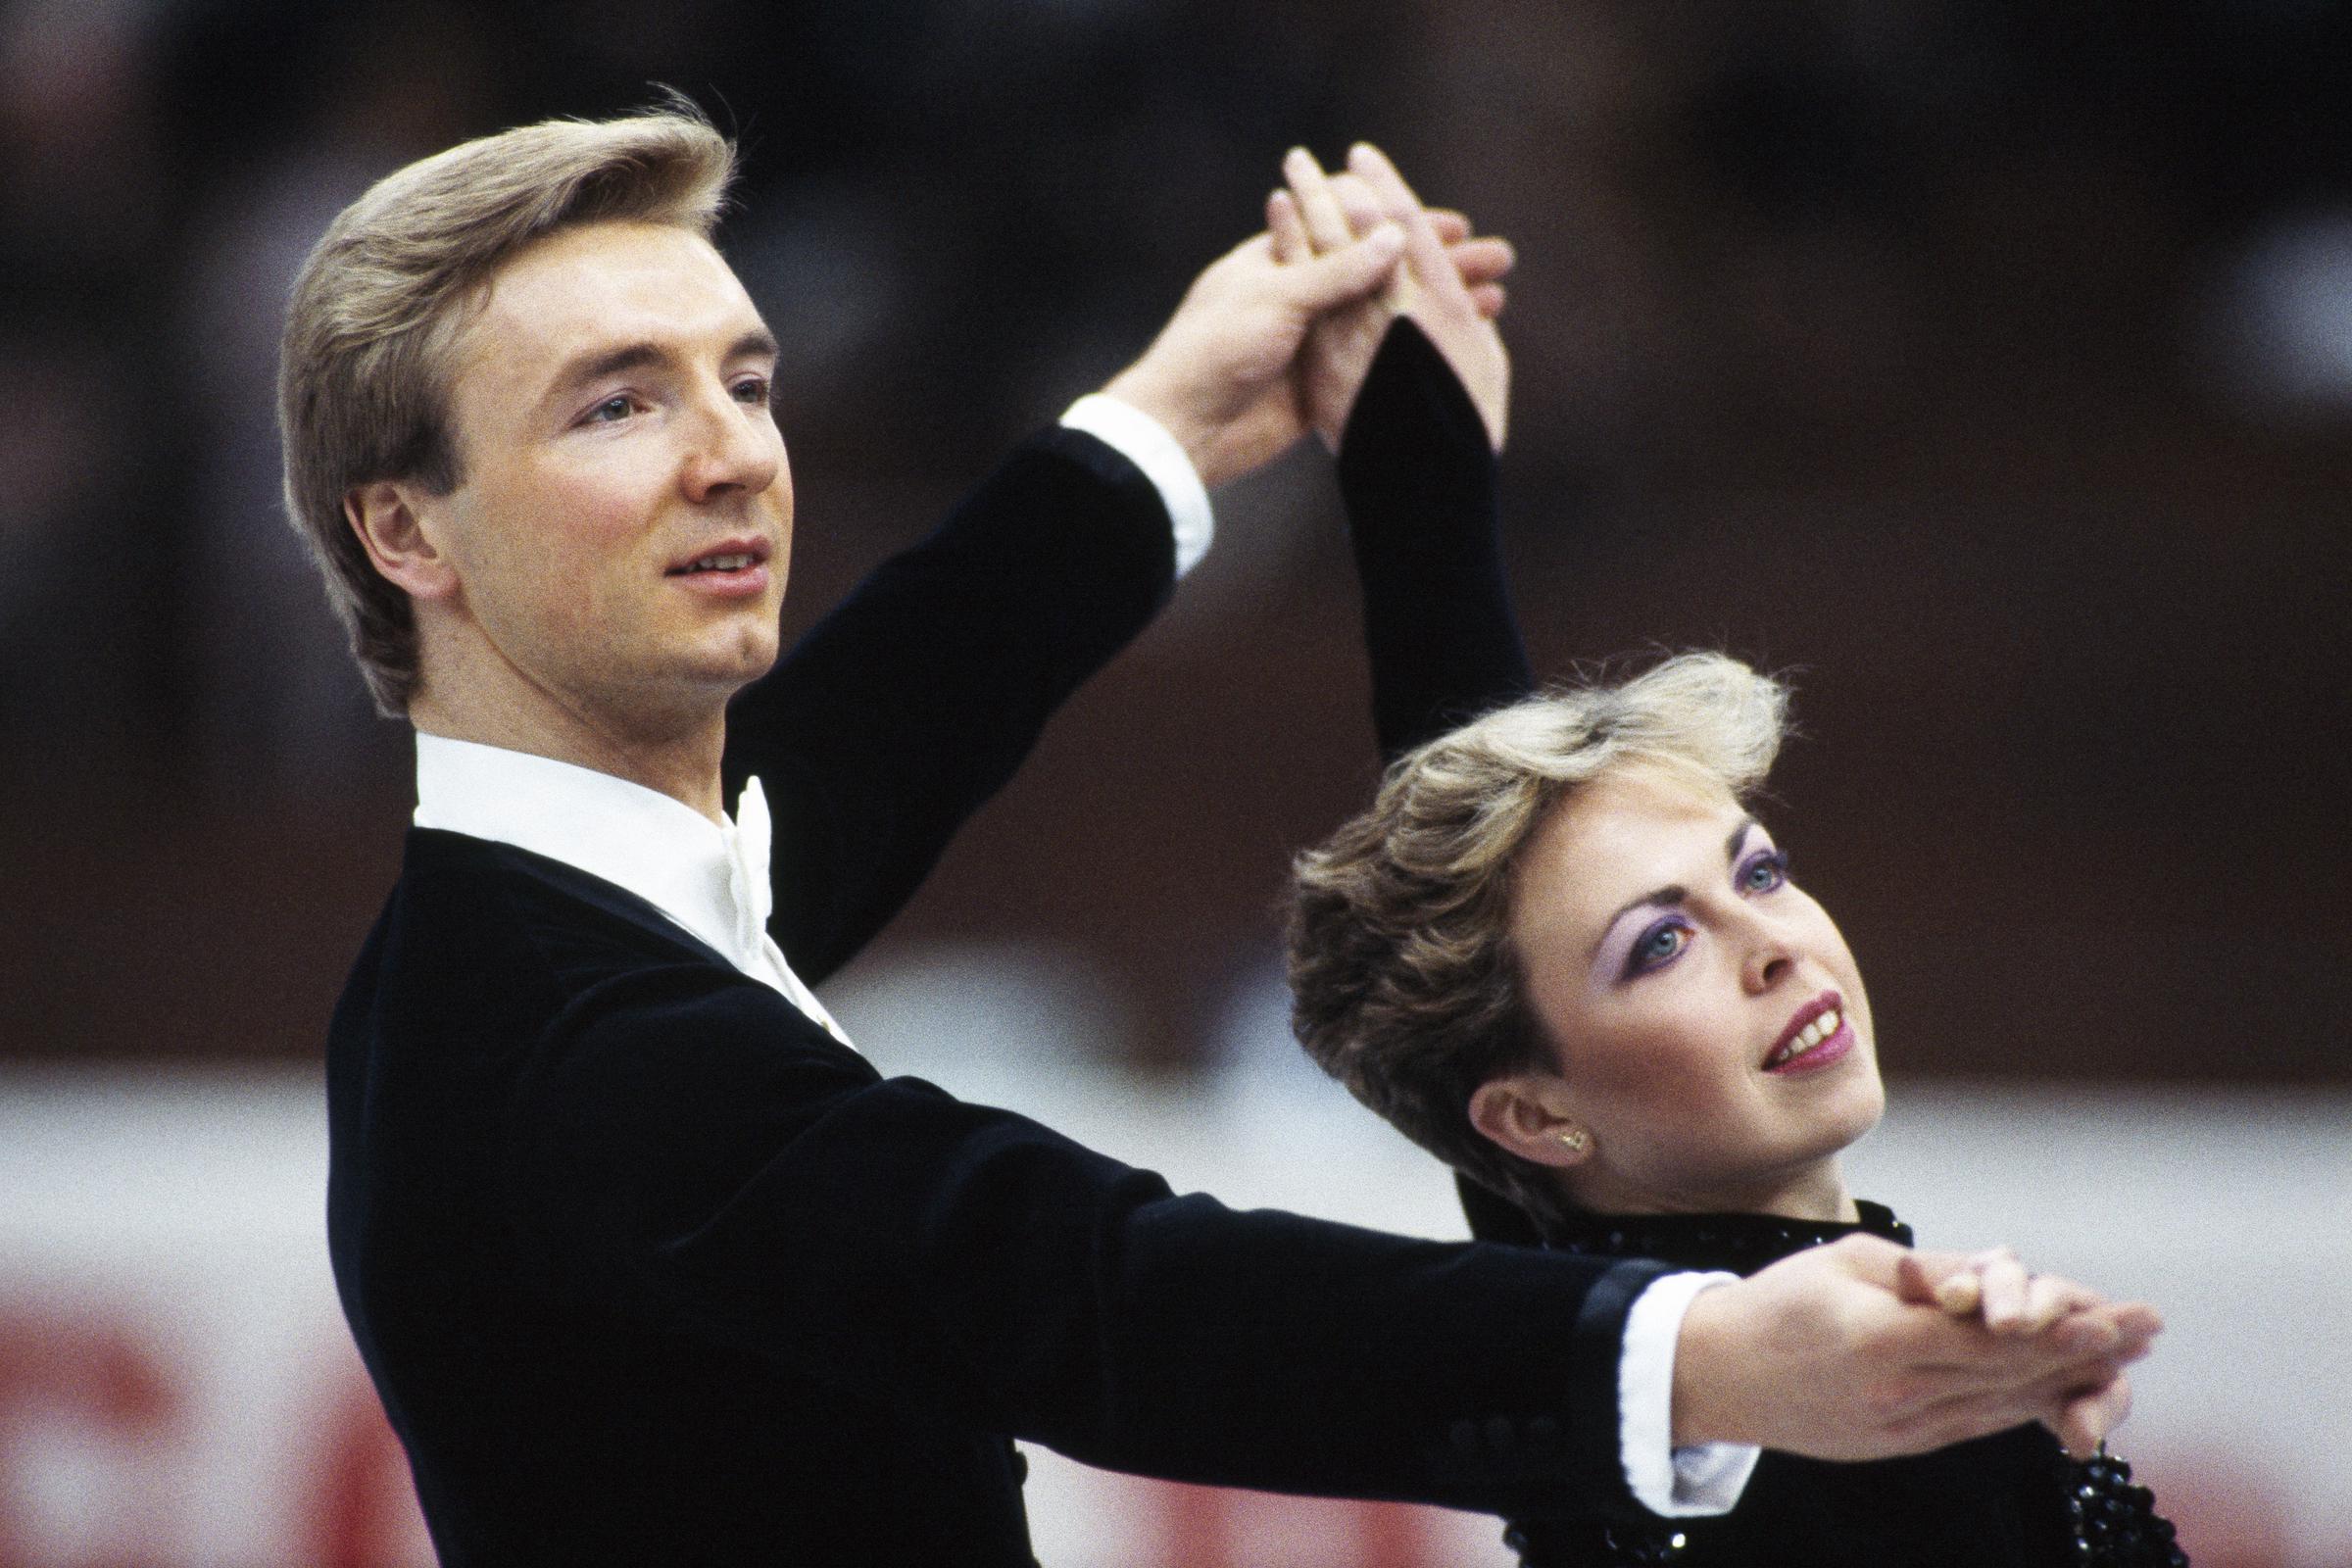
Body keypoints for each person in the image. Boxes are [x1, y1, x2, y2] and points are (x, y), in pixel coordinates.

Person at [279, 101, 2156, 1564]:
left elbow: (886, 723)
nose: (732, 452)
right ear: (408, 533)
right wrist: (1705, 1357)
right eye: (618, 403)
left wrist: (1178, 414)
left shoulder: (590, 890)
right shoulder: (567, 1051)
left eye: (745, 380)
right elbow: (1097, 1294)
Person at [1279, 146, 2185, 1566]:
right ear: (1532, 1121)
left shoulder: (1635, 1333)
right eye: (1660, 943)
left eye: (1754, 872)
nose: (1774, 942)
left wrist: (1419, 462)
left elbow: (1464, 873)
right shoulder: (1789, 1418)